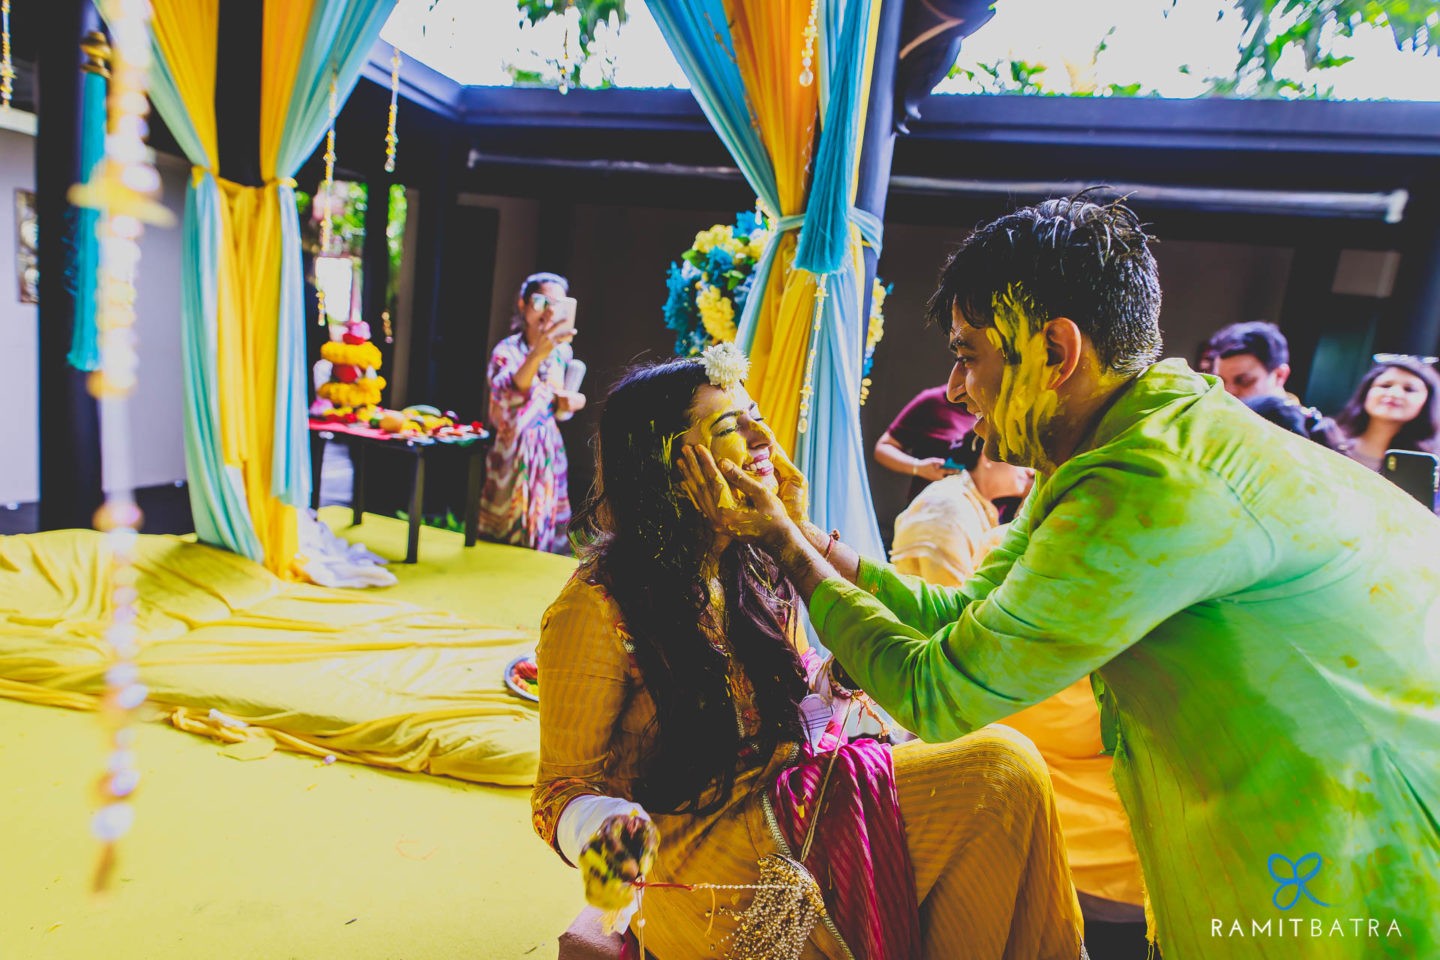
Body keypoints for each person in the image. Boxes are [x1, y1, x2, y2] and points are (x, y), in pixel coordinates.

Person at [679, 197, 1440, 960]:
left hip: (1347, 853)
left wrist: (785, 547)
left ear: (1055, 350)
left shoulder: (1147, 484)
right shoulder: (1125, 437)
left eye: (968, 355)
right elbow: (961, 612)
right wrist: (810, 537)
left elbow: (939, 692)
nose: (954, 389)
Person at [533, 344, 1084, 960]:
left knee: (1000, 789)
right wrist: (615, 845)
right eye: (731, 427)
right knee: (1002, 770)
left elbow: (802, 683)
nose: (764, 438)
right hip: (697, 862)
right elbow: (559, 790)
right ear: (668, 464)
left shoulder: (749, 561)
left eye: (757, 417)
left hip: (789, 806)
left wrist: (829, 646)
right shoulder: (597, 605)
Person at [890, 436, 1149, 960]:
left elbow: (933, 679)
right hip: (1091, 862)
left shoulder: (997, 554)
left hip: (1030, 845)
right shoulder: (1147, 586)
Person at [478, 272, 586, 554]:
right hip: (512, 452)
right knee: (503, 536)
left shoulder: (562, 353)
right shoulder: (507, 350)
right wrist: (538, 352)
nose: (548, 311)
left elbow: (557, 408)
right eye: (541, 302)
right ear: (523, 304)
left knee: (546, 535)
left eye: (557, 305)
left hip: (548, 451)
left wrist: (571, 402)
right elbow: (509, 393)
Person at [1203, 321, 1341, 448]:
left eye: (1244, 381)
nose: (1228, 392)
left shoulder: (1315, 436)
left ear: (1280, 375)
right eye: (1221, 381)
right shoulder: (1209, 421)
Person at [1334, 356, 1440, 472]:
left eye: (1409, 389)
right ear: (1366, 392)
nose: (1394, 393)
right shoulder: (1327, 439)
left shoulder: (1430, 468)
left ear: (1428, 402)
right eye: (1385, 385)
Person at [873, 385, 976, 502]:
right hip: (932, 506)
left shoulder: (990, 408)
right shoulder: (934, 401)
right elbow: (883, 447)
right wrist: (919, 467)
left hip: (975, 508)